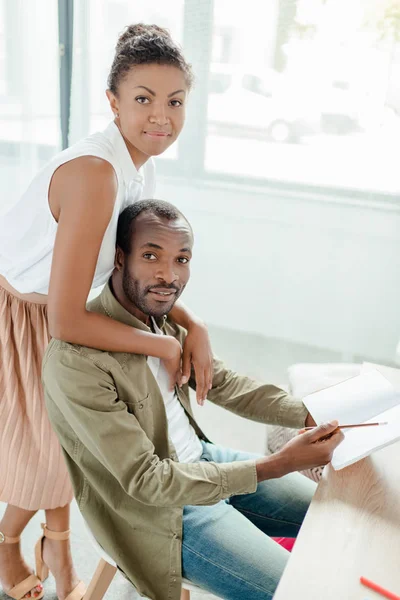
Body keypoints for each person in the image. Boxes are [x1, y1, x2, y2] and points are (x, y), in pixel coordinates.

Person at [0, 25, 213, 600]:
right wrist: (167, 345)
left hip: (59, 309)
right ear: (113, 102)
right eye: (143, 99)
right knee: (50, 449)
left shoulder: (132, 165)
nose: (161, 116)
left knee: (75, 440)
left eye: (174, 101)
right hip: (25, 315)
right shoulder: (98, 173)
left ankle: (57, 538)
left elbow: (122, 271)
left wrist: (192, 323)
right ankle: (7, 541)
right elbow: (69, 321)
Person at [42, 200, 344, 600]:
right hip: (157, 514)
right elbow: (146, 481)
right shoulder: (77, 362)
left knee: (343, 519)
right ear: (119, 258)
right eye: (151, 255)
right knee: (301, 591)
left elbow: (224, 383)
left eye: (181, 259)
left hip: (201, 460)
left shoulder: (158, 316)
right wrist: (280, 465)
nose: (169, 275)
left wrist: (313, 415)